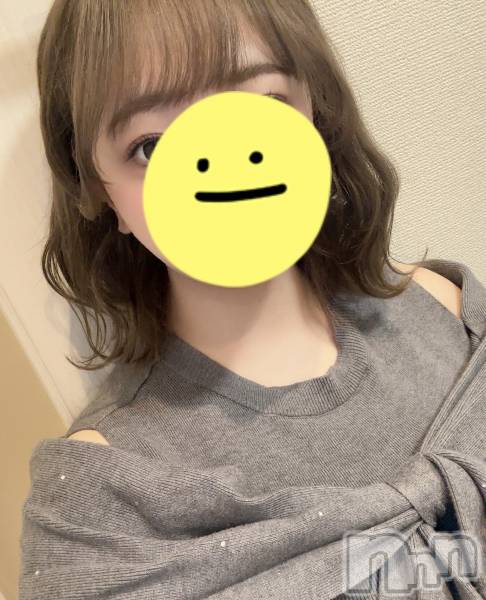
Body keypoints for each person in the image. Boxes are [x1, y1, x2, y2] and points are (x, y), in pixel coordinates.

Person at [19, 1, 486, 598]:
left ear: (315, 113)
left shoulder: (449, 309)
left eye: (265, 107)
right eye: (152, 146)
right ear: (97, 190)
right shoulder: (103, 513)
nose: (228, 170)